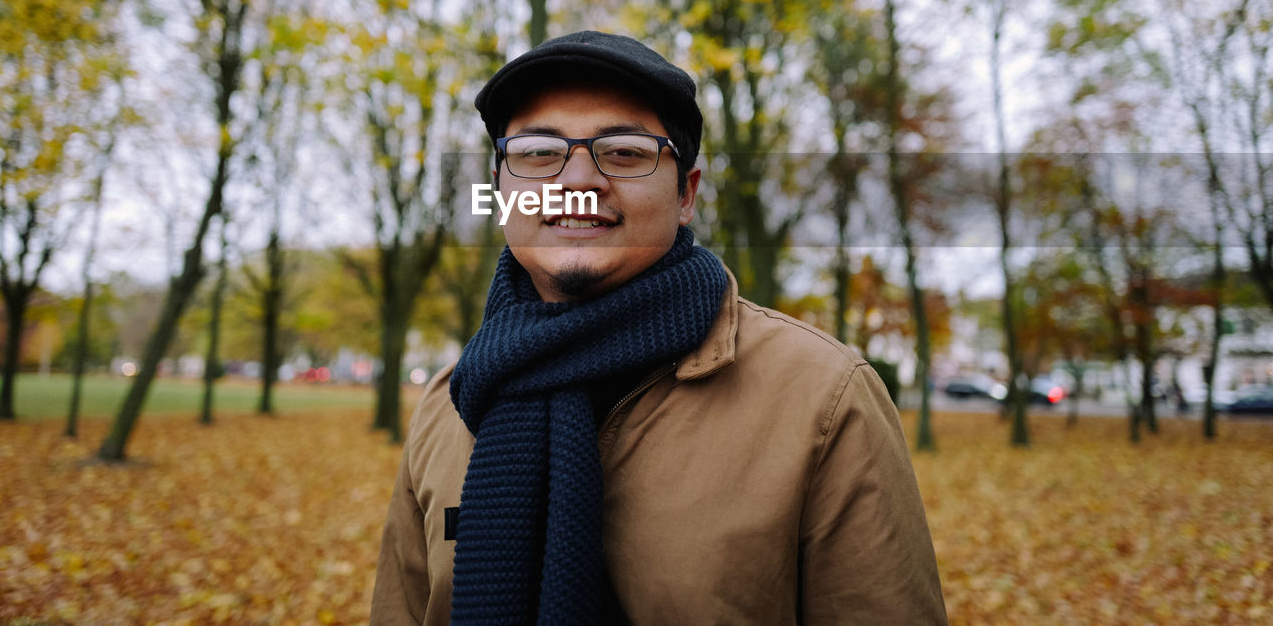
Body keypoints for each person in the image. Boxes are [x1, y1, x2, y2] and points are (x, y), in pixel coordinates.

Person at [370, 31, 947, 625]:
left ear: (685, 195)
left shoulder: (822, 400)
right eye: (538, 153)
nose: (575, 183)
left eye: (624, 152)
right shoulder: (449, 404)